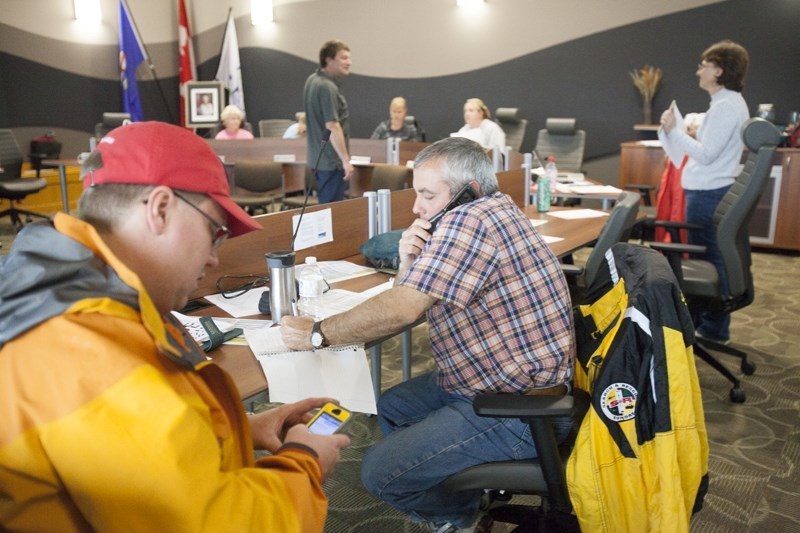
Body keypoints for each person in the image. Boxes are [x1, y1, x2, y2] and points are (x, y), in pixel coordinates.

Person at [0, 121, 350, 531]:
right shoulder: (89, 352)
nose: (215, 258)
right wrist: (304, 461)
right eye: (214, 232)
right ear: (160, 208)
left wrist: (243, 427)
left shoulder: (72, 297)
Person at [280, 136, 575, 531]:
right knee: (394, 406)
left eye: (427, 195)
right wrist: (407, 262)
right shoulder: (495, 209)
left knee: (378, 473)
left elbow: (403, 310)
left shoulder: (467, 222)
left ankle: (459, 516)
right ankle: (463, 486)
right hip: (506, 383)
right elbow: (410, 296)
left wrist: (316, 334)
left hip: (520, 412)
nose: (417, 207)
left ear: (465, 193)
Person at [659, 40, 750, 344]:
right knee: (711, 258)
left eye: (704, 65)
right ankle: (707, 324)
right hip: (707, 190)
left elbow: (707, 155)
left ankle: (713, 328)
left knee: (709, 261)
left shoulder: (726, 106)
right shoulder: (725, 104)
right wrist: (688, 134)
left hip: (707, 193)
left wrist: (675, 132)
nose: (699, 70)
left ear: (719, 70)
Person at [303, 39, 354, 203]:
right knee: (331, 212)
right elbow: (332, 126)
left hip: (318, 160)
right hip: (332, 162)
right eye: (344, 58)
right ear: (329, 60)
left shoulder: (312, 79)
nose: (349, 62)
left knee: (325, 211)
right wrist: (346, 161)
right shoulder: (327, 87)